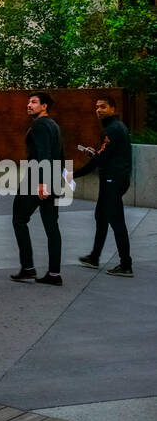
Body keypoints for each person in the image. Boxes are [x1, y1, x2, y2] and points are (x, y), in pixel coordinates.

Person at [11, 92, 66, 286]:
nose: (29, 105)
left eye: (34, 102)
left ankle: (28, 268)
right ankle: (54, 274)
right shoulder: (54, 125)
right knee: (52, 227)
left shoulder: (40, 125)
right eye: (28, 102)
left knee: (19, 219)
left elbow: (44, 153)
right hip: (53, 179)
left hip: (37, 179)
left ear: (44, 106)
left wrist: (42, 183)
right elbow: (58, 154)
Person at [75, 96, 134, 277]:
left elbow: (101, 159)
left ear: (113, 109)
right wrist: (95, 154)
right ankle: (94, 257)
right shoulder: (114, 128)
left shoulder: (113, 129)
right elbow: (106, 155)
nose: (99, 110)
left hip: (113, 181)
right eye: (97, 107)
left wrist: (74, 174)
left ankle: (126, 265)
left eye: (103, 107)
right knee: (101, 217)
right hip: (113, 179)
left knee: (117, 223)